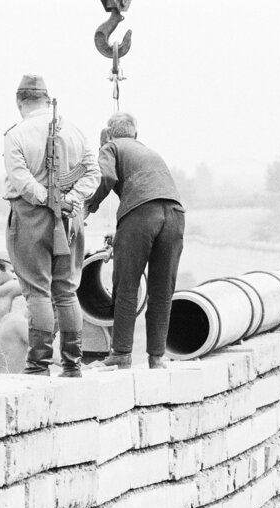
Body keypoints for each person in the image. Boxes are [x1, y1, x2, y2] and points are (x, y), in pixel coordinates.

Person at [2, 74, 101, 377]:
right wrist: (68, 200)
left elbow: (21, 180)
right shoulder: (75, 132)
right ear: (47, 99)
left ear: (20, 101)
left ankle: (38, 365)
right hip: (70, 217)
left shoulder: (16, 135)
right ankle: (72, 364)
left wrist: (48, 199)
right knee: (66, 292)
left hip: (30, 216)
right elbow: (93, 173)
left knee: (37, 292)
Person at [86, 112, 185, 369]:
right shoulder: (149, 152)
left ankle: (121, 353)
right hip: (174, 214)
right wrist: (122, 234)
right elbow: (153, 201)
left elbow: (106, 178)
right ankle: (157, 357)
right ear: (136, 134)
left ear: (108, 134)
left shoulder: (110, 146)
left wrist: (89, 206)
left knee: (126, 285)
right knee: (162, 289)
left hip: (141, 214)